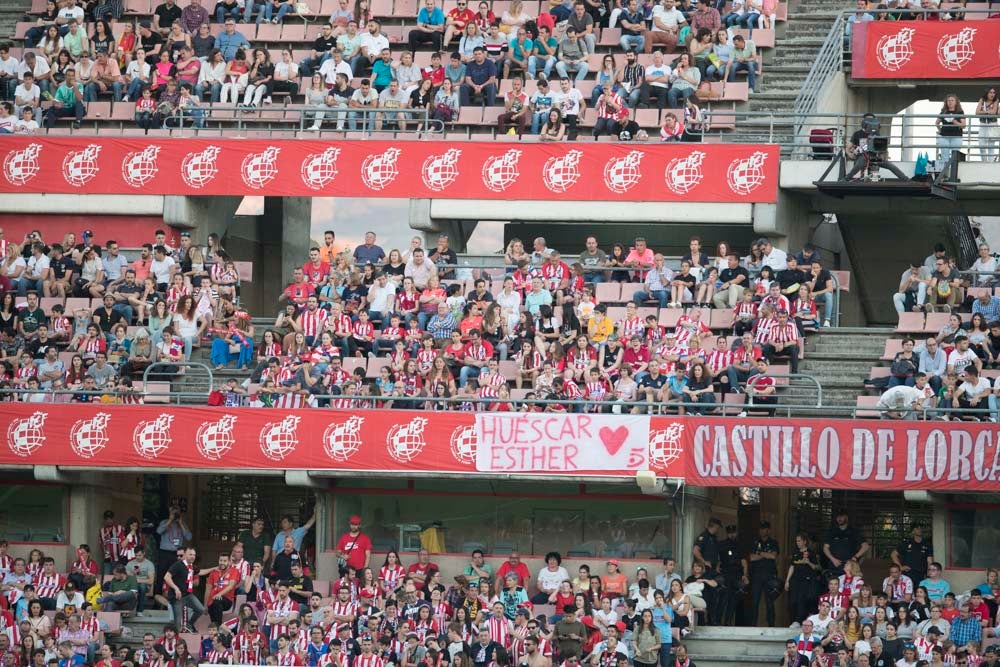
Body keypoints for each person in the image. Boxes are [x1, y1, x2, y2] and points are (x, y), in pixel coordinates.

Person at [845, 113, 909, 181]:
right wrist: (850, 154)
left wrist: (883, 155)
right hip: (862, 157)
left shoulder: (876, 134)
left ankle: (905, 179)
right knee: (860, 164)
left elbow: (880, 147)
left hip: (874, 158)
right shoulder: (857, 134)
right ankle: (847, 178)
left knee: (890, 165)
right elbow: (848, 148)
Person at [164, 547, 205, 633]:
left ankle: (189, 624)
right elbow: (166, 577)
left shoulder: (191, 566)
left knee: (201, 609)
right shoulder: (178, 565)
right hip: (177, 597)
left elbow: (200, 572)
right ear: (185, 555)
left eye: (194, 555)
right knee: (177, 623)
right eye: (190, 554)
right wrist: (176, 588)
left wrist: (214, 568)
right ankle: (176, 639)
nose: (193, 556)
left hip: (187, 595)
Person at [936, 93, 965, 165]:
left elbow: (963, 125)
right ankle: (945, 170)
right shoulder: (943, 112)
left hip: (956, 136)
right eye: (948, 100)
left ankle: (953, 170)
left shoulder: (960, 112)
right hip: (944, 136)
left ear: (956, 102)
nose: (950, 102)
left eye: (952, 100)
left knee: (954, 156)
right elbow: (937, 122)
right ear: (946, 102)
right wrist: (940, 130)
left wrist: (955, 122)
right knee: (944, 156)